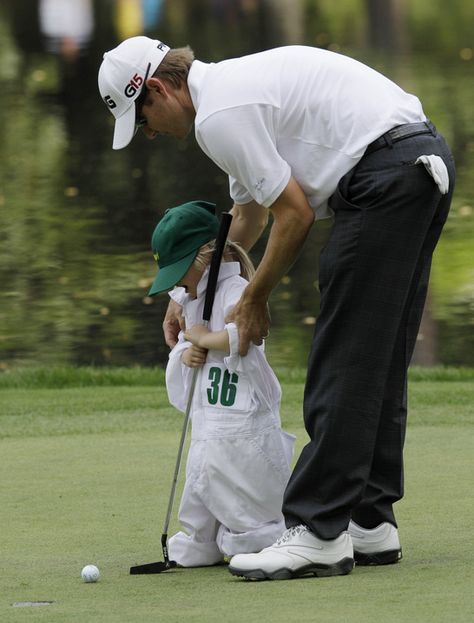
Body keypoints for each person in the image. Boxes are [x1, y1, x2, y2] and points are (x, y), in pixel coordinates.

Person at [98, 37, 455, 580]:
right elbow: (248, 217)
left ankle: (318, 532)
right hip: (418, 165)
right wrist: (184, 296)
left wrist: (255, 299)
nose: (148, 133)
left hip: (385, 178)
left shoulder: (218, 115)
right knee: (376, 359)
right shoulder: (224, 93)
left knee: (344, 360)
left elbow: (294, 216)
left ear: (157, 89)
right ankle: (368, 519)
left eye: (142, 119)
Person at [148, 199, 295, 567]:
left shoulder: (238, 290)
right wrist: (186, 352)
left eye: (181, 270)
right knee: (203, 478)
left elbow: (241, 336)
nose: (177, 283)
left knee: (240, 486)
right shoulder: (188, 297)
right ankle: (202, 540)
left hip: (241, 422)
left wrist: (202, 339)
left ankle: (256, 539)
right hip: (208, 421)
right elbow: (186, 340)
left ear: (205, 258)